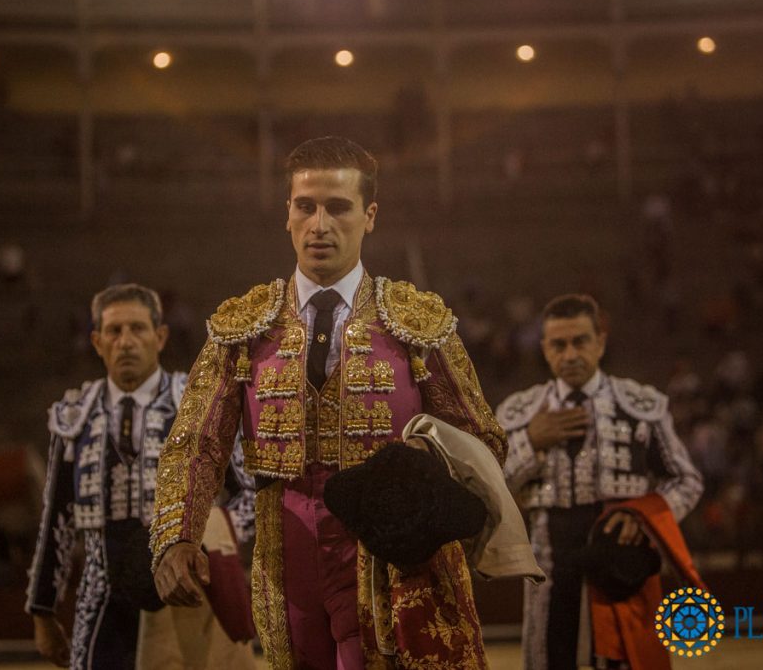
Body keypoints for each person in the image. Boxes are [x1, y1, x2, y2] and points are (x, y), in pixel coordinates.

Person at [150, 136, 507, 668]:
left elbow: (482, 441)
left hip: (391, 554)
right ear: (287, 215)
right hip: (284, 548)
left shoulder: (416, 322)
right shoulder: (243, 327)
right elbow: (195, 442)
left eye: (338, 207)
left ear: (369, 216)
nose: (319, 224)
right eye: (305, 206)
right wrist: (176, 535)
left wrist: (423, 490)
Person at [25, 283, 254, 670]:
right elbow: (57, 521)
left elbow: (246, 497)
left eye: (138, 329)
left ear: (160, 336)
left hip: (183, 592)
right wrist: (42, 611)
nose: (126, 342)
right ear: (97, 342)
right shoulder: (74, 415)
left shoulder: (195, 403)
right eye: (114, 331)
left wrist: (209, 540)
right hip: (101, 597)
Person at [498, 294, 704, 669]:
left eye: (580, 341)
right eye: (559, 344)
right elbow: (493, 490)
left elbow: (686, 480)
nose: (570, 354)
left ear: (601, 343)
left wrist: (645, 516)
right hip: (548, 567)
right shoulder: (521, 413)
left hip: (619, 563)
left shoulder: (639, 405)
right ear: (545, 349)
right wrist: (531, 443)